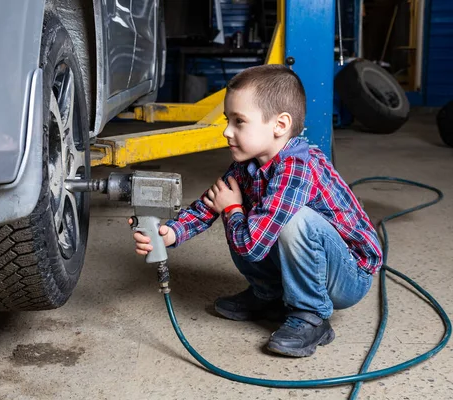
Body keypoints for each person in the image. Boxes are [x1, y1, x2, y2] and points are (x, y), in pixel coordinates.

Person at [130, 64, 383, 358]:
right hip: (313, 263)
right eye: (228, 120)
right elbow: (207, 206)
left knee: (288, 220)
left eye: (239, 121)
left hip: (347, 277)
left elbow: (250, 245)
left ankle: (311, 315)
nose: (226, 131)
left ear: (280, 125)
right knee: (233, 201)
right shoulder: (245, 166)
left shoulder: (298, 167)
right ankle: (270, 295)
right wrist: (171, 233)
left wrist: (234, 209)